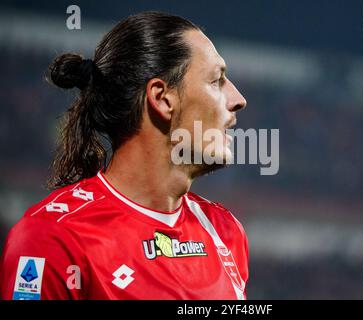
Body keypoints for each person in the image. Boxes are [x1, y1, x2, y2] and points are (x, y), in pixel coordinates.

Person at [0, 11, 248, 300]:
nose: (238, 99)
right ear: (162, 98)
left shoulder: (225, 232)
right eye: (216, 81)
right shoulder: (51, 239)